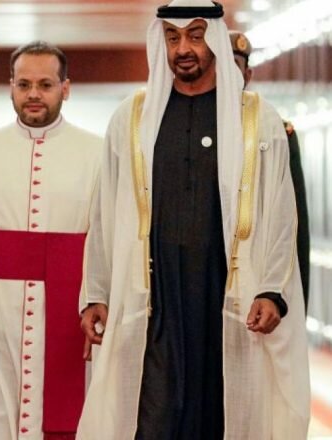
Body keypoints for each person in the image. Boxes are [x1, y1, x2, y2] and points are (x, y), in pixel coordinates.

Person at [77, 1, 310, 439]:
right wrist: (95, 291)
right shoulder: (131, 118)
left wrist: (272, 291)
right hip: (154, 299)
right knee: (153, 417)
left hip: (226, 297)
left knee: (220, 416)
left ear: (216, 40)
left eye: (196, 36)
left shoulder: (258, 119)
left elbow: (282, 214)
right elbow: (104, 212)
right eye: (173, 37)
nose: (183, 48)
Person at [0, 41, 102, 439]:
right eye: (24, 84)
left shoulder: (98, 153)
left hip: (71, 309)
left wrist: (98, 301)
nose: (34, 94)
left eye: (45, 85)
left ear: (65, 88)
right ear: (11, 87)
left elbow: (104, 242)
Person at [230, 29, 311, 310]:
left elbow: (295, 224)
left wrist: (293, 303)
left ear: (248, 75)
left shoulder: (275, 131)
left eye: (235, 66)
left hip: (259, 278)